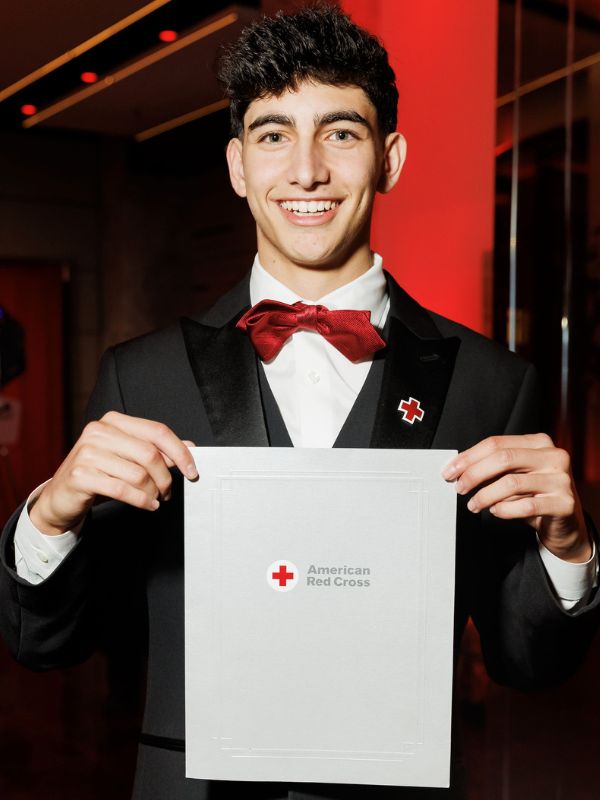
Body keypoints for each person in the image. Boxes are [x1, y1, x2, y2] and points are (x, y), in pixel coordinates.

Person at [1, 6, 599, 800]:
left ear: (389, 159)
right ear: (238, 165)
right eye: (273, 134)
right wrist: (49, 519)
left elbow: (528, 661)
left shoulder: (491, 383)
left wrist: (568, 550)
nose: (306, 170)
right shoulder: (142, 378)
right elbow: (49, 645)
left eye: (341, 133)